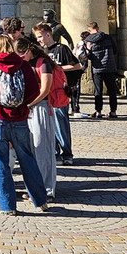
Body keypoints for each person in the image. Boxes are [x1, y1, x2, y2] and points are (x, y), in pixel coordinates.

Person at [0, 34, 49, 214]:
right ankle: (40, 200)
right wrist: (23, 104)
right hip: (19, 118)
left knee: (0, 162)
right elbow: (34, 90)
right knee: (27, 159)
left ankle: (7, 206)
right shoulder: (23, 65)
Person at [17, 37, 57, 202]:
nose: (21, 58)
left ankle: (47, 189)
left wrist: (29, 103)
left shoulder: (43, 63)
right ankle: (33, 188)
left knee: (43, 148)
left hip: (41, 107)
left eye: (22, 55)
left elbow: (45, 89)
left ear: (29, 50)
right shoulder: (23, 64)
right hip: (26, 108)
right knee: (30, 150)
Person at [36, 22, 80, 164]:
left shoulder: (62, 48)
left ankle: (67, 154)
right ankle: (55, 154)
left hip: (59, 93)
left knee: (61, 125)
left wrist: (56, 68)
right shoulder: (40, 52)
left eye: (40, 37)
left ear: (48, 34)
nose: (38, 40)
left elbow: (76, 65)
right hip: (46, 94)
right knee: (49, 127)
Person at [84, 21, 120, 118]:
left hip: (97, 68)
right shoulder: (108, 37)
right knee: (112, 90)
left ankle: (98, 111)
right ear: (98, 28)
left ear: (89, 30)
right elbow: (115, 50)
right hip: (109, 67)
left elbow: (88, 56)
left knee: (98, 90)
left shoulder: (88, 40)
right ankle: (113, 112)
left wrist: (89, 50)